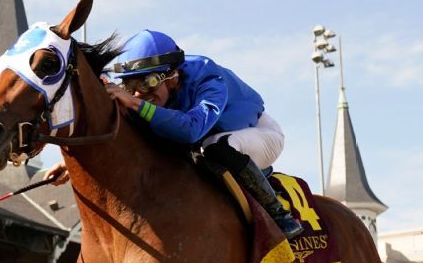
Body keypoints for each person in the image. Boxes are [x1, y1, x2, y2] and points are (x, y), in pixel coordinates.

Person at [44, 29, 302, 238]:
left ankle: (279, 214)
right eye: (130, 85)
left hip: (257, 133)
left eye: (145, 84)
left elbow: (192, 130)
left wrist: (134, 104)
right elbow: (119, 136)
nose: (137, 94)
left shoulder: (208, 79)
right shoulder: (149, 96)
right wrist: (71, 164)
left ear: (172, 76)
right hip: (211, 137)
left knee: (214, 147)